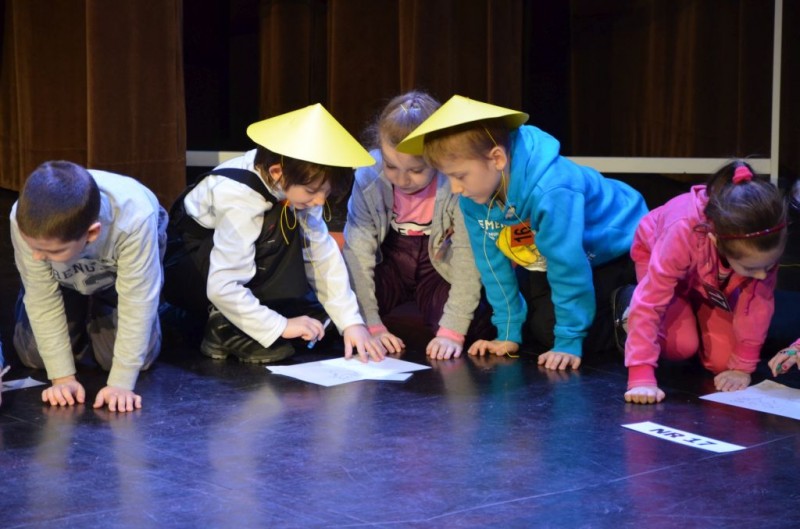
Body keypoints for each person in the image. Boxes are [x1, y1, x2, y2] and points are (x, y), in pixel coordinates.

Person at [396, 95, 647, 369]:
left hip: (617, 248)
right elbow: (491, 265)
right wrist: (507, 333)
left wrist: (569, 341)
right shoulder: (473, 196)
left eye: (460, 176)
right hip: (548, 254)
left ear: (497, 158)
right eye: (448, 177)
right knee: (531, 327)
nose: (455, 189)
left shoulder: (551, 190)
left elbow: (568, 267)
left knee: (553, 331)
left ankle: (635, 303)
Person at [163, 104, 386, 363]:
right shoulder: (240, 198)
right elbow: (222, 286)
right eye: (313, 191)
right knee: (279, 221)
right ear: (277, 172)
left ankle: (256, 316)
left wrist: (350, 322)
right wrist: (281, 326)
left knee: (324, 326)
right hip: (190, 271)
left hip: (230, 271)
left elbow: (320, 254)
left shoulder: (290, 181)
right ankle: (223, 326)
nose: (319, 201)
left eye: (325, 192)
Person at [617, 161, 787, 404]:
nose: (762, 275)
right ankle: (626, 307)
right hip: (661, 266)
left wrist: (742, 366)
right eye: (752, 269)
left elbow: (757, 305)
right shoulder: (681, 229)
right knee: (680, 346)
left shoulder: (762, 246)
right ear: (716, 242)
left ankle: (694, 314)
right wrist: (640, 376)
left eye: (768, 267)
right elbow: (651, 301)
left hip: (708, 280)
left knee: (722, 362)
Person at [342, 91, 492, 360]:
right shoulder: (369, 175)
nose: (402, 180)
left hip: (438, 263)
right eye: (391, 166)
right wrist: (370, 325)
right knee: (342, 313)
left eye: (416, 170)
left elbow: (466, 254)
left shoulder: (455, 180)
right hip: (390, 259)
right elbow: (358, 253)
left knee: (473, 325)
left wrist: (452, 331)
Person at [11, 161, 168, 412]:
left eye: (52, 251)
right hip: (65, 276)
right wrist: (62, 379)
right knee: (35, 356)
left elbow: (137, 302)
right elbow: (42, 297)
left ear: (92, 234)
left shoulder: (135, 220)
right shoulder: (25, 221)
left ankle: (103, 303)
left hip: (117, 278)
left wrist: (121, 384)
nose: (37, 257)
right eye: (34, 248)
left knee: (127, 361)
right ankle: (74, 299)